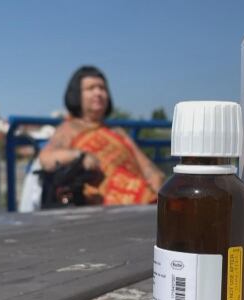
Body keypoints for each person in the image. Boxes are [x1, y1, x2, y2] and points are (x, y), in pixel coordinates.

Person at [38, 66, 165, 205]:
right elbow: (46, 158)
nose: (98, 93)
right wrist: (80, 156)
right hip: (104, 206)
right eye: (91, 88)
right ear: (77, 95)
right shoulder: (69, 128)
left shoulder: (117, 132)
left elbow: (148, 168)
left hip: (143, 199)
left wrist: (157, 183)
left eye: (102, 88)